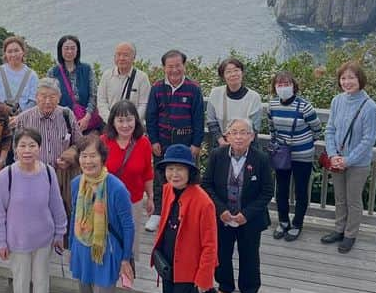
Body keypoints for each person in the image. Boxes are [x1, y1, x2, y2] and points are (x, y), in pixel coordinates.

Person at [150, 144, 218, 293]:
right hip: (169, 267)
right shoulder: (169, 190)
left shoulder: (203, 202)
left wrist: (204, 278)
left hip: (190, 272)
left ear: (191, 172)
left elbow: (210, 245)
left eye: (180, 169)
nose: (174, 174)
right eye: (170, 169)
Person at [70, 136, 135, 293]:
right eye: (83, 156)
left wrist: (126, 258)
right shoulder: (77, 183)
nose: (88, 161)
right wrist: (71, 246)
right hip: (83, 248)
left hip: (105, 252)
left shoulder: (115, 187)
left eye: (92, 156)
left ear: (102, 158)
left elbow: (128, 226)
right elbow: (74, 213)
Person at [0, 129, 67, 293]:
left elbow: (57, 205)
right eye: (22, 145)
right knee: (21, 278)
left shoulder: (49, 172)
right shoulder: (6, 176)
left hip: (44, 238)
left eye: (32, 145)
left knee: (42, 278)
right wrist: (0, 241)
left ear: (39, 148)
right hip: (17, 239)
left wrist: (60, 233)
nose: (27, 150)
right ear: (15, 149)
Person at [204, 119, 274, 293]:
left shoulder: (261, 159)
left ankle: (249, 290)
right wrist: (221, 210)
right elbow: (207, 185)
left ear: (251, 137)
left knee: (250, 254)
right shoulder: (217, 155)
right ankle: (225, 286)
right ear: (227, 135)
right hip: (223, 216)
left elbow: (267, 191)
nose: (238, 136)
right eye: (234, 132)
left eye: (243, 132)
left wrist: (247, 214)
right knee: (222, 252)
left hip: (249, 219)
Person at [321, 62, 376, 254]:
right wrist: (333, 155)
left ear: (360, 79)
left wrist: (348, 160)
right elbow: (330, 129)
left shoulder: (369, 106)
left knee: (353, 199)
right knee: (339, 198)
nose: (347, 82)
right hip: (337, 159)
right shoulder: (337, 101)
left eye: (351, 78)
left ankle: (350, 234)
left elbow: (368, 140)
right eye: (343, 78)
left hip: (358, 164)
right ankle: (339, 229)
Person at [145, 49, 205, 233]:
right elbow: (151, 116)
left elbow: (198, 119)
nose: (174, 70)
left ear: (184, 65)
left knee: (186, 178)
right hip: (162, 141)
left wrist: (196, 143)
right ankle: (157, 213)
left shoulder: (193, 88)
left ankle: (185, 213)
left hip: (185, 142)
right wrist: (153, 140)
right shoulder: (157, 88)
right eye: (170, 66)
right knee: (160, 177)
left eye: (178, 66)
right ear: (164, 68)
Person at [11, 78, 83, 220]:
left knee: (65, 215)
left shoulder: (66, 115)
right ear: (36, 97)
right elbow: (16, 153)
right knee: (36, 216)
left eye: (52, 96)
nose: (48, 101)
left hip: (63, 176)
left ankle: (62, 241)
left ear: (59, 97)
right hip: (35, 176)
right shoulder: (24, 119)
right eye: (43, 96)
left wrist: (70, 156)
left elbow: (80, 144)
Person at [266, 71, 322, 242]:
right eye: (280, 84)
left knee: (300, 190)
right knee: (281, 189)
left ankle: (297, 223)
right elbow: (271, 128)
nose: (283, 87)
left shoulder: (304, 106)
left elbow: (317, 129)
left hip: (302, 154)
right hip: (282, 154)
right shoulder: (273, 105)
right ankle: (283, 221)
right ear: (275, 87)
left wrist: (301, 142)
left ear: (294, 85)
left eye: (287, 84)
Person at [102, 100, 154, 253]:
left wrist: (150, 197)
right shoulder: (104, 142)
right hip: (107, 202)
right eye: (120, 120)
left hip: (134, 201)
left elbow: (147, 172)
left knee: (129, 245)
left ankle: (127, 274)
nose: (125, 125)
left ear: (136, 121)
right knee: (108, 245)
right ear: (113, 122)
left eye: (129, 120)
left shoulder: (143, 143)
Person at [47, 35, 101, 133]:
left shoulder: (87, 69)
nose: (69, 52)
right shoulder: (53, 72)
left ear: (77, 50)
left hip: (87, 122)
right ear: (60, 50)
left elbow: (93, 96)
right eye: (66, 48)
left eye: (73, 48)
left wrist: (87, 117)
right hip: (62, 123)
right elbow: (50, 97)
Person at [206, 58, 262, 148]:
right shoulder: (215, 93)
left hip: (246, 146)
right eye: (228, 72)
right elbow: (211, 122)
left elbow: (254, 128)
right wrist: (221, 141)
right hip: (221, 144)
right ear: (223, 76)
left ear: (242, 73)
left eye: (236, 70)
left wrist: (238, 145)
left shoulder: (254, 97)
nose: (233, 74)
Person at [97, 41, 151, 122]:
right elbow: (102, 102)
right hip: (110, 124)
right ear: (114, 57)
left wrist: (132, 122)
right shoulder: (106, 75)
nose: (121, 58)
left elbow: (144, 104)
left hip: (134, 126)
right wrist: (112, 121)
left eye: (126, 55)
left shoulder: (142, 78)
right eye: (118, 54)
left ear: (134, 58)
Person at [0, 36, 38, 113]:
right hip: (0, 116)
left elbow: (33, 101)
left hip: (24, 118)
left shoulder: (32, 75)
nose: (13, 55)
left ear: (23, 52)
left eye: (16, 51)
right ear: (5, 54)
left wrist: (20, 116)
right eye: (9, 51)